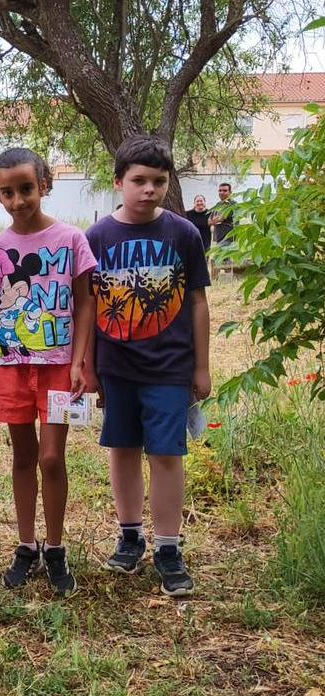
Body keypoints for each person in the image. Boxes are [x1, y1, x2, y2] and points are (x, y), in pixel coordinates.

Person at [87, 136, 211, 597]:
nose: (149, 190)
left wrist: (202, 367)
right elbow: (87, 308)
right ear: (118, 182)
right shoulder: (97, 237)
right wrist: (88, 366)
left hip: (170, 367)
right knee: (122, 449)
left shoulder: (184, 234)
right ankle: (130, 536)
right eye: (139, 180)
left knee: (166, 454)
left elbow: (197, 302)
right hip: (116, 366)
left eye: (159, 181)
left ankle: (168, 547)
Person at [0, 148, 96, 597]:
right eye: (7, 192)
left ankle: (56, 547)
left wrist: (80, 361)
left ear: (44, 185)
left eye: (26, 189)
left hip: (58, 368)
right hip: (10, 366)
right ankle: (26, 546)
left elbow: (85, 302)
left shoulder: (71, 240)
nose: (17, 200)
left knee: (51, 457)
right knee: (23, 456)